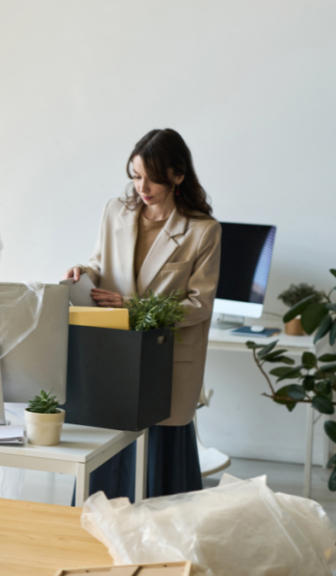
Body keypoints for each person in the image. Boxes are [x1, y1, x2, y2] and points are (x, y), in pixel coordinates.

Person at [64, 128, 221, 500]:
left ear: (178, 176)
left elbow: (199, 305)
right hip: (114, 351)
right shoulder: (115, 211)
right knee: (106, 447)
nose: (142, 187)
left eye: (152, 178)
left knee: (159, 463)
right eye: (136, 176)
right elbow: (100, 264)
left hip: (164, 358)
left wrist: (130, 305)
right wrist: (82, 273)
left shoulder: (203, 231)